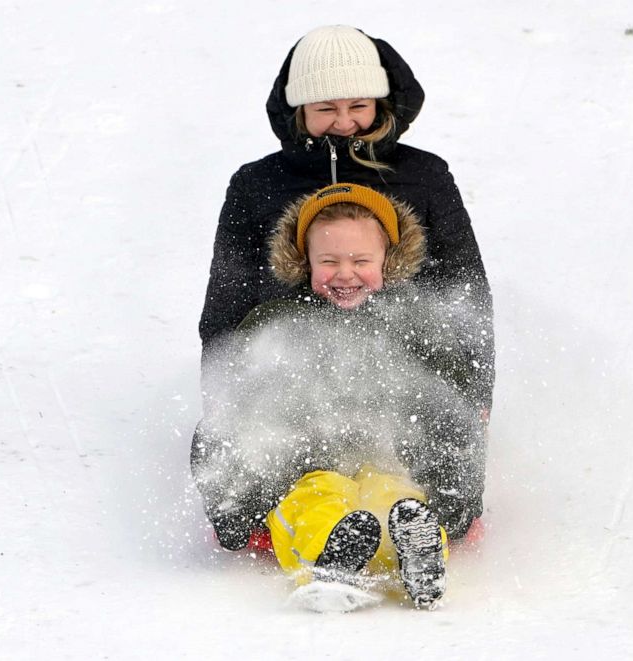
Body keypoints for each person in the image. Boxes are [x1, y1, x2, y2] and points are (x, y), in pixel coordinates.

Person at [192, 184, 490, 608]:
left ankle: (421, 558)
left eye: (361, 261)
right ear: (304, 262)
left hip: (392, 457)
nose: (345, 273)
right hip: (301, 468)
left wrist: (457, 508)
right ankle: (331, 558)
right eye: (328, 261)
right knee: (317, 499)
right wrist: (234, 512)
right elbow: (235, 414)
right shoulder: (276, 325)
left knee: (400, 501)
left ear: (389, 258)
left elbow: (453, 414)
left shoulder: (418, 324)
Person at [198, 24, 495, 417]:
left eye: (358, 106)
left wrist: (476, 397)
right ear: (299, 110)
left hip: (405, 380)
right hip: (291, 386)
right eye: (325, 109)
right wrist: (220, 397)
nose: (342, 122)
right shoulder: (255, 185)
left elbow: (463, 287)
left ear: (380, 103)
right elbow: (227, 297)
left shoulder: (425, 176)